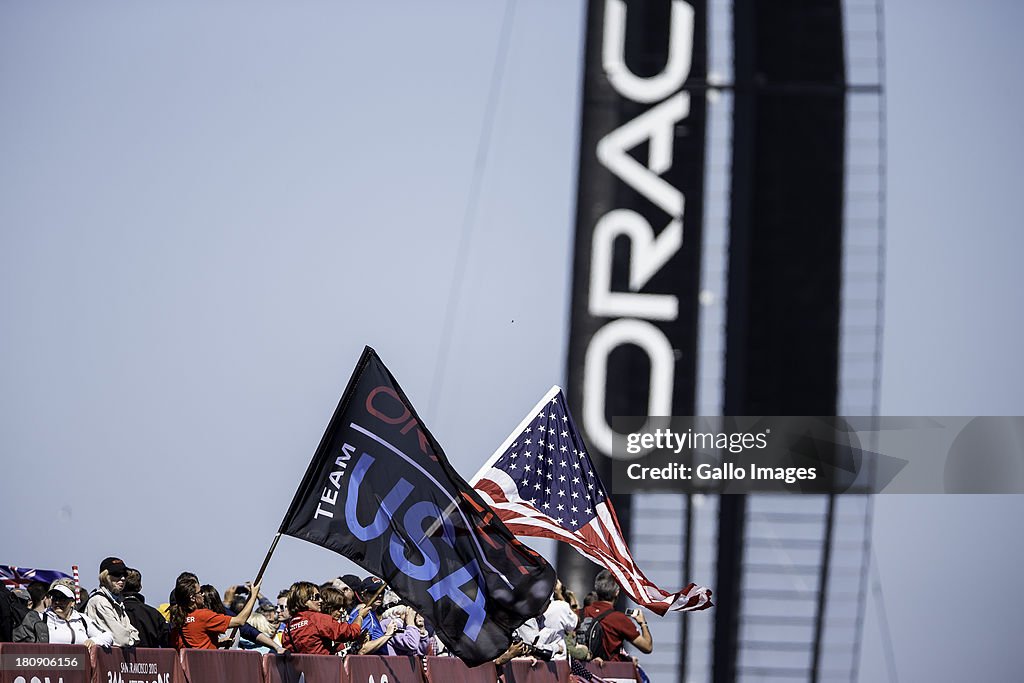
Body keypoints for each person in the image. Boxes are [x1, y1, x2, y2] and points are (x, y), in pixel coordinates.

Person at [169, 574, 262, 650]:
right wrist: (253, 595)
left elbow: (195, 643)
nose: (202, 595)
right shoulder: (202, 616)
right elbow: (240, 621)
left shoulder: (178, 617)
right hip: (206, 667)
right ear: (193, 598)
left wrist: (216, 643)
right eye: (200, 592)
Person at [579, 570, 652, 663]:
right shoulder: (619, 619)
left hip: (581, 672)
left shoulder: (579, 613)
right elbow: (647, 647)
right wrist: (643, 623)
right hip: (610, 673)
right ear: (617, 592)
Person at [280, 581, 368, 655]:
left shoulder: (288, 627)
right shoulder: (318, 619)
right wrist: (360, 616)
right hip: (323, 670)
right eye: (317, 597)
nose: (321, 601)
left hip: (301, 673)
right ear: (304, 600)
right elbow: (351, 632)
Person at [197, 584, 282, 653]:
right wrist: (254, 595)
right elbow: (241, 622)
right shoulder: (197, 617)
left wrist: (277, 647)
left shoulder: (221, 615)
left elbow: (248, 630)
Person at [83, 556, 140, 647]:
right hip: (102, 658)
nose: (123, 578)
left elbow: (135, 634)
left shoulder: (118, 601)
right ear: (105, 577)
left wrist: (129, 638)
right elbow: (121, 639)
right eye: (117, 574)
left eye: (125, 574)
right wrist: (130, 639)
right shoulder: (99, 601)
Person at [41, 584, 114, 648]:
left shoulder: (82, 619)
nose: (57, 602)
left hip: (80, 662)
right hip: (52, 662)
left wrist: (94, 641)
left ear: (72, 603)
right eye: (54, 598)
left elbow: (108, 636)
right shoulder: (42, 618)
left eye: (62, 599)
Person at [121, 568, 169, 648]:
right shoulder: (154, 614)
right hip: (151, 659)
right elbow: (167, 643)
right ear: (140, 587)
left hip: (119, 660)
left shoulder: (112, 612)